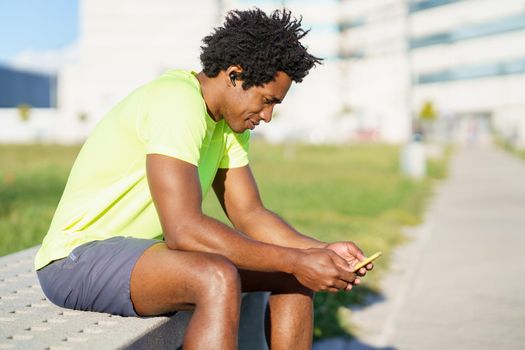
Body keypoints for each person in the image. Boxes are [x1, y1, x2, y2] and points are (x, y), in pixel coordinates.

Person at [34, 8, 373, 350]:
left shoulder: (228, 124)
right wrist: (297, 258)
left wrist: (319, 252)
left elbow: (251, 214)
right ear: (235, 76)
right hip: (75, 261)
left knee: (292, 276)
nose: (268, 116)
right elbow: (185, 230)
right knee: (216, 277)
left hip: (146, 255)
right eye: (266, 101)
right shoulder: (177, 100)